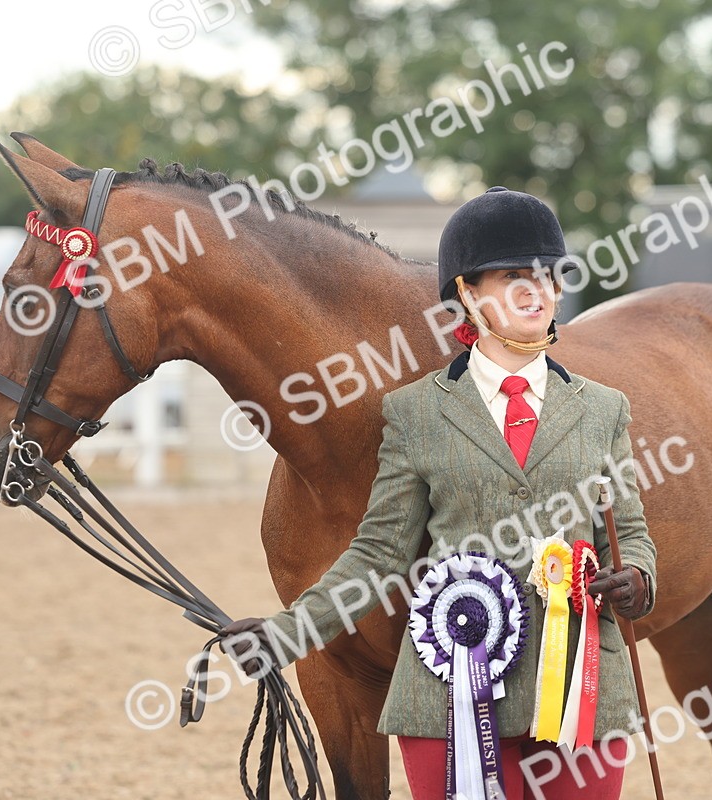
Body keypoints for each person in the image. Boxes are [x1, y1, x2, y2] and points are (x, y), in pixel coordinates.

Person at [222, 186, 657, 800]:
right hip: (451, 697)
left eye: (547, 276)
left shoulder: (605, 410)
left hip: (578, 693)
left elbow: (631, 533)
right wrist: (286, 633)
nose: (536, 291)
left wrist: (637, 578)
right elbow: (378, 553)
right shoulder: (416, 414)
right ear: (466, 295)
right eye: (511, 277)